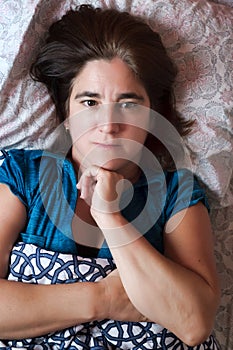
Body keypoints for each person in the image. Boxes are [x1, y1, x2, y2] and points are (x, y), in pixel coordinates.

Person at [0, 4, 221, 349]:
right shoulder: (22, 176)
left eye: (129, 103)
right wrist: (102, 298)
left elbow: (194, 324)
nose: (109, 125)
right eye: (90, 102)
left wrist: (110, 216)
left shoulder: (177, 193)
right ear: (66, 112)